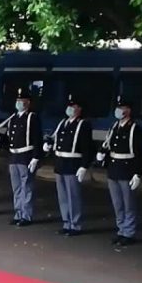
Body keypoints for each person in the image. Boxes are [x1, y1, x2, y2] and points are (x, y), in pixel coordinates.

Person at [97, 96, 142, 245]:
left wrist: (137, 173)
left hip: (127, 168)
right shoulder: (114, 127)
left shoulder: (135, 128)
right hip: (114, 168)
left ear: (128, 110)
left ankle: (129, 233)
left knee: (128, 203)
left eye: (122, 107)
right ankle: (121, 230)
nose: (119, 110)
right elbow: (108, 145)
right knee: (117, 203)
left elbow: (139, 152)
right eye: (118, 107)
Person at [0, 88, 43, 227]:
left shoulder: (32, 117)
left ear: (28, 102)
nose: (19, 103)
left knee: (26, 187)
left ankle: (26, 215)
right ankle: (18, 213)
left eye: (22, 101)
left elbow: (37, 138)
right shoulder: (13, 118)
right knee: (16, 188)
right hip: (14, 156)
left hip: (25, 155)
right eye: (18, 100)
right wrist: (0, 139)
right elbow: (10, 138)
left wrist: (36, 157)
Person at [46, 95, 93, 236]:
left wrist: (84, 166)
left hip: (73, 164)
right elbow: (56, 139)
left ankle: (75, 224)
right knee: (63, 196)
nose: (70, 109)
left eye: (74, 107)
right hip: (60, 163)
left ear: (80, 109)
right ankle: (66, 222)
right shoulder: (63, 123)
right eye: (70, 106)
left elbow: (87, 148)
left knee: (73, 196)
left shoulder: (83, 124)